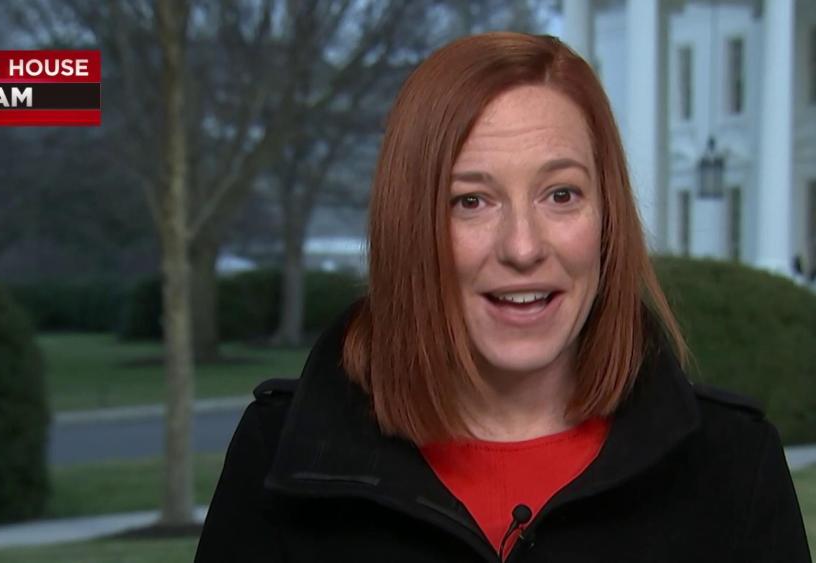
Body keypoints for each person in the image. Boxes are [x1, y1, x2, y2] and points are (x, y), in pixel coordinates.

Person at [194, 32, 811, 563]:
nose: (522, 247)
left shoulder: (734, 467)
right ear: (411, 229)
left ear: (608, 221)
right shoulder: (276, 456)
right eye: (472, 200)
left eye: (561, 195)